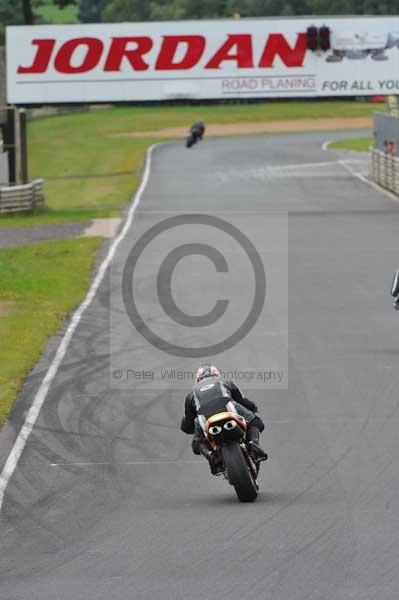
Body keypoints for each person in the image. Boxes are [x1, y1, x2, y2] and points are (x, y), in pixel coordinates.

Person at [180, 364, 267, 474]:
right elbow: (243, 401)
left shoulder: (191, 395)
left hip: (205, 419)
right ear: (216, 374)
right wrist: (253, 407)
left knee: (197, 443)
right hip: (229, 409)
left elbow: (187, 424)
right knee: (256, 422)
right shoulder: (226, 382)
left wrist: (188, 427)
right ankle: (253, 444)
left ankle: (211, 456)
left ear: (198, 379)